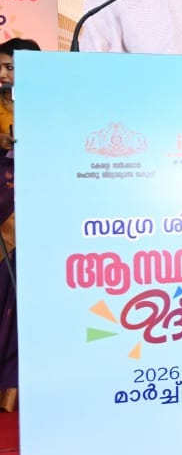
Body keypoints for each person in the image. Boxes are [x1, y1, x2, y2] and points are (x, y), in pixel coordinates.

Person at [0, 38, 36, 413]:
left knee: (17, 297)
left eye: (10, 67)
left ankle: (12, 387)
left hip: (29, 203)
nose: (2, 74)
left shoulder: (48, 104)